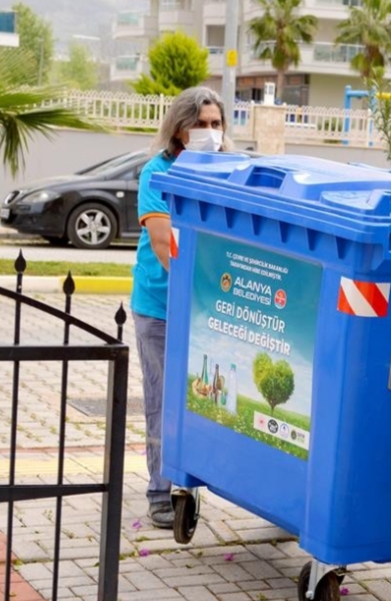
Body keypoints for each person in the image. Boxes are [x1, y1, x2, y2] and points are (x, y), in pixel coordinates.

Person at [131, 86, 230, 528]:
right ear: (179, 128)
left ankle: (194, 480)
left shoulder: (227, 172)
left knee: (213, 399)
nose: (209, 132)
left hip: (209, 311)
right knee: (163, 397)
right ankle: (159, 490)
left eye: (215, 124)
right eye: (200, 124)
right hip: (161, 306)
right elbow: (162, 244)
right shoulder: (158, 173)